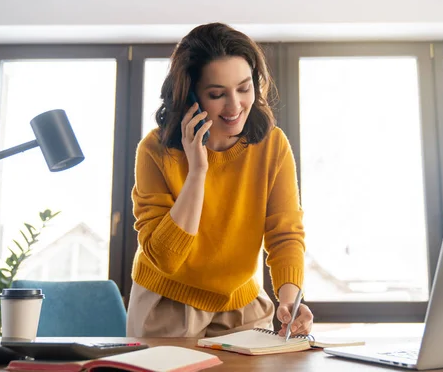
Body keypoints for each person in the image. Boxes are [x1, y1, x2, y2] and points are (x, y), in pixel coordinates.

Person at [126, 22, 313, 338]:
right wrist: (198, 170)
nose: (235, 106)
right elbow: (167, 259)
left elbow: (285, 232)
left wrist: (290, 300)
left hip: (242, 304)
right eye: (217, 94)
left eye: (244, 88)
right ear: (190, 97)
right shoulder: (155, 151)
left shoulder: (273, 145)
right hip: (167, 305)